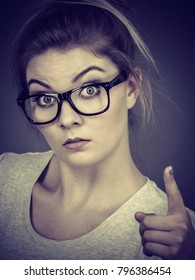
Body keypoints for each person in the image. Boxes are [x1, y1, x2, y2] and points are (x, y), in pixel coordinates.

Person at [0, 0, 195, 260]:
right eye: (45, 98)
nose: (67, 119)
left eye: (89, 90)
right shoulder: (4, 178)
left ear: (131, 88)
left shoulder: (179, 240)